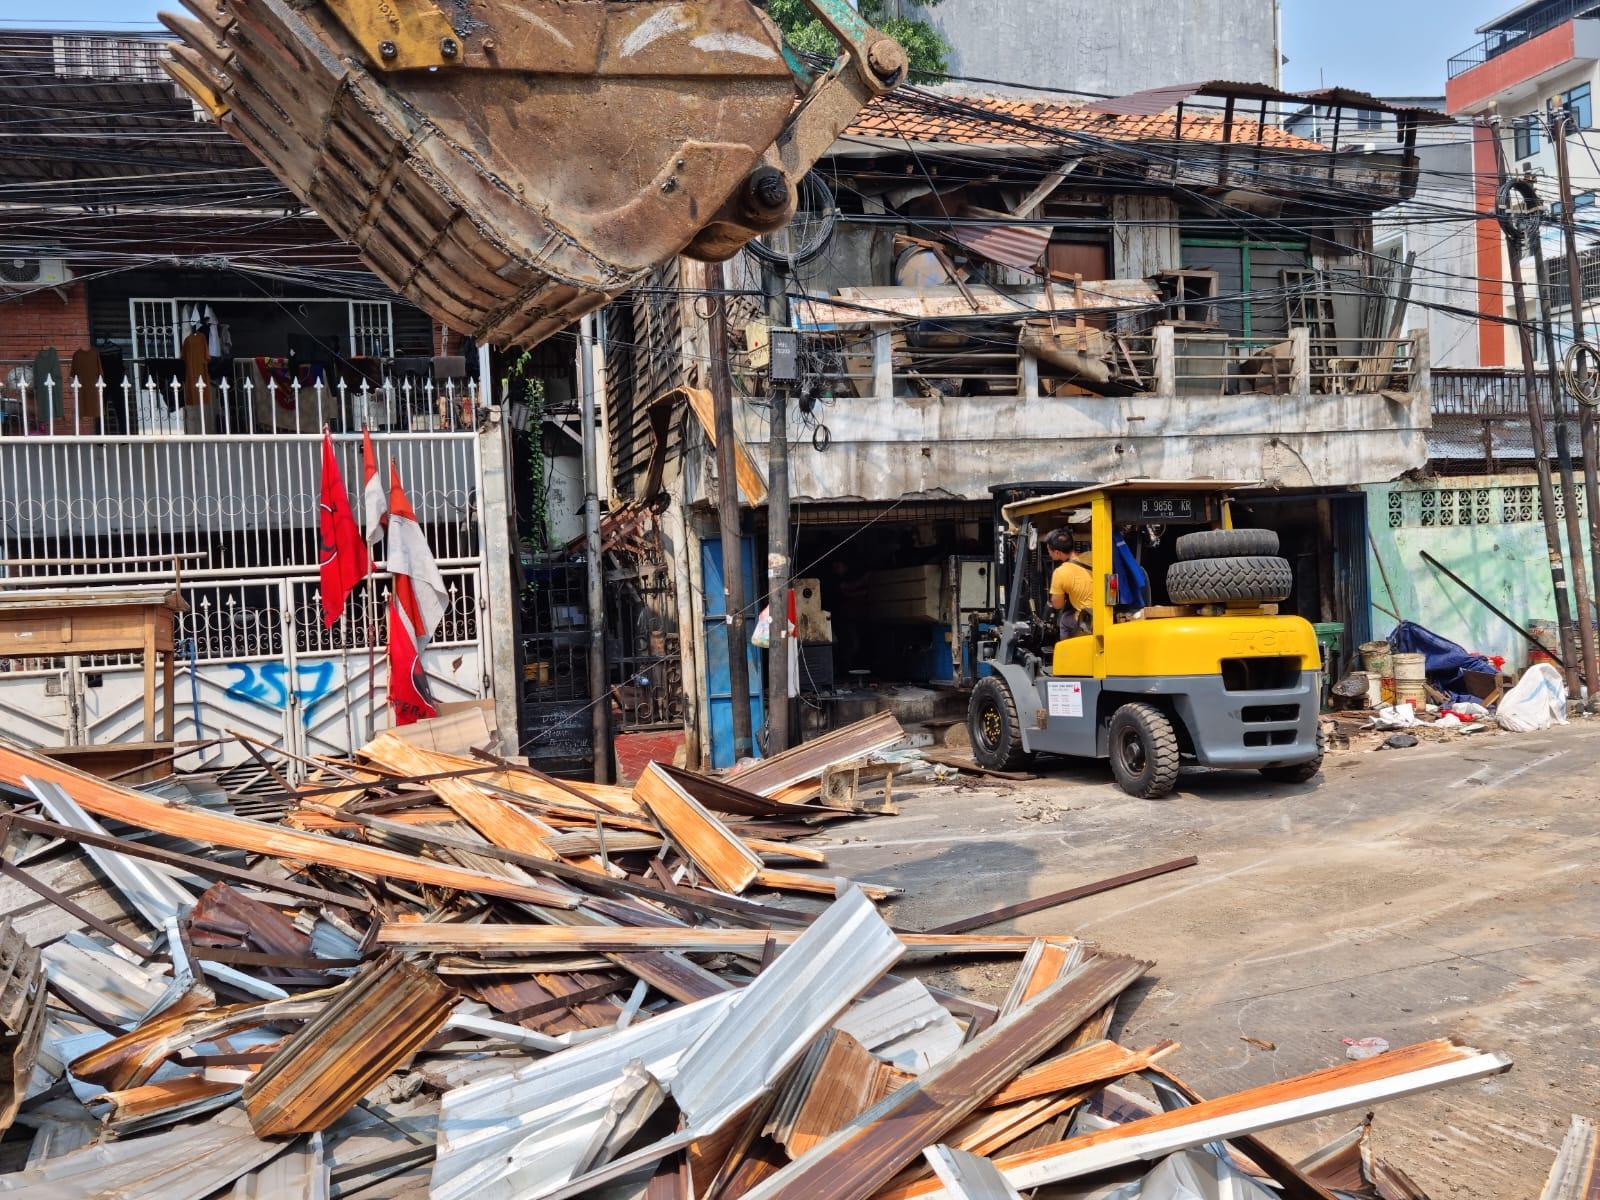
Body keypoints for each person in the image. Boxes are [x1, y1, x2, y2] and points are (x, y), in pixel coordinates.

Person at [1046, 527, 1093, 638]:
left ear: (1057, 552)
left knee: (1064, 620)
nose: (1048, 553)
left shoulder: (1060, 572)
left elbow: (1058, 605)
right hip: (1105, 611)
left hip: (1089, 617)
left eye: (1049, 550)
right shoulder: (1091, 555)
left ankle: (1064, 648)